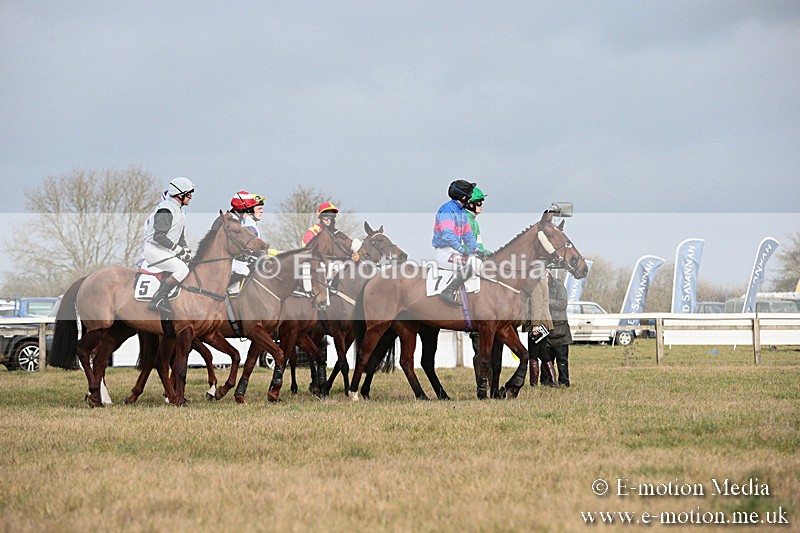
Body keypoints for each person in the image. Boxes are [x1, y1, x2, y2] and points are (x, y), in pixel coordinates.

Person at [464, 187, 502, 394]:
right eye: (479, 202)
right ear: (470, 203)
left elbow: (478, 244)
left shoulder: (474, 221)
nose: (481, 206)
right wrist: (481, 253)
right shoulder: (465, 219)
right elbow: (468, 245)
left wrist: (487, 253)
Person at [142, 177, 195, 314]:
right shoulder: (166, 209)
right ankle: (157, 300)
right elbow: (158, 236)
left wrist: (185, 250)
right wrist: (178, 250)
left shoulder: (180, 211)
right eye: (188, 194)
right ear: (179, 195)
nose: (191, 197)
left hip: (166, 251)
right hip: (154, 250)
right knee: (182, 270)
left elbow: (180, 237)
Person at [431, 180, 481, 305]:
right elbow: (447, 235)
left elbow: (468, 236)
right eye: (469, 194)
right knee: (473, 265)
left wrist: (477, 250)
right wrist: (462, 249)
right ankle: (448, 291)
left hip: (454, 251)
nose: (471, 196)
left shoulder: (461, 211)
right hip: (445, 253)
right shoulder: (447, 210)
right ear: (463, 197)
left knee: (480, 261)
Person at [540, 270, 573, 387]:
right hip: (546, 327)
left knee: (561, 358)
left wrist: (546, 302)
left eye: (545, 276)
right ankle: (545, 382)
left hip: (559, 327)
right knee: (546, 358)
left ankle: (563, 382)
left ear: (549, 275)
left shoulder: (559, 286)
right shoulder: (538, 288)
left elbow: (563, 304)